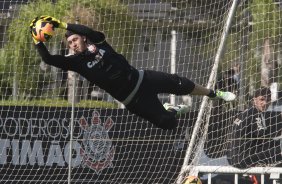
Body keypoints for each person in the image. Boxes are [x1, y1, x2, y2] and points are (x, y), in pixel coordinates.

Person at [29, 15, 236, 130]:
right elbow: (48, 59)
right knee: (168, 123)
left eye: (75, 39)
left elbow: (90, 32)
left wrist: (62, 24)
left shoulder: (99, 42)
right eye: (69, 43)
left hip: (142, 78)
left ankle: (214, 94)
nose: (73, 44)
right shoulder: (76, 63)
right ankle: (172, 109)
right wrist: (37, 39)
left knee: (183, 85)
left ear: (83, 38)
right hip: (132, 100)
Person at [227, 87, 282, 168]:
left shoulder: (250, 111)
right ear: (254, 100)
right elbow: (263, 137)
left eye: (268, 100)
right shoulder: (254, 114)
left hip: (235, 156)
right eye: (262, 99)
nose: (265, 103)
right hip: (242, 158)